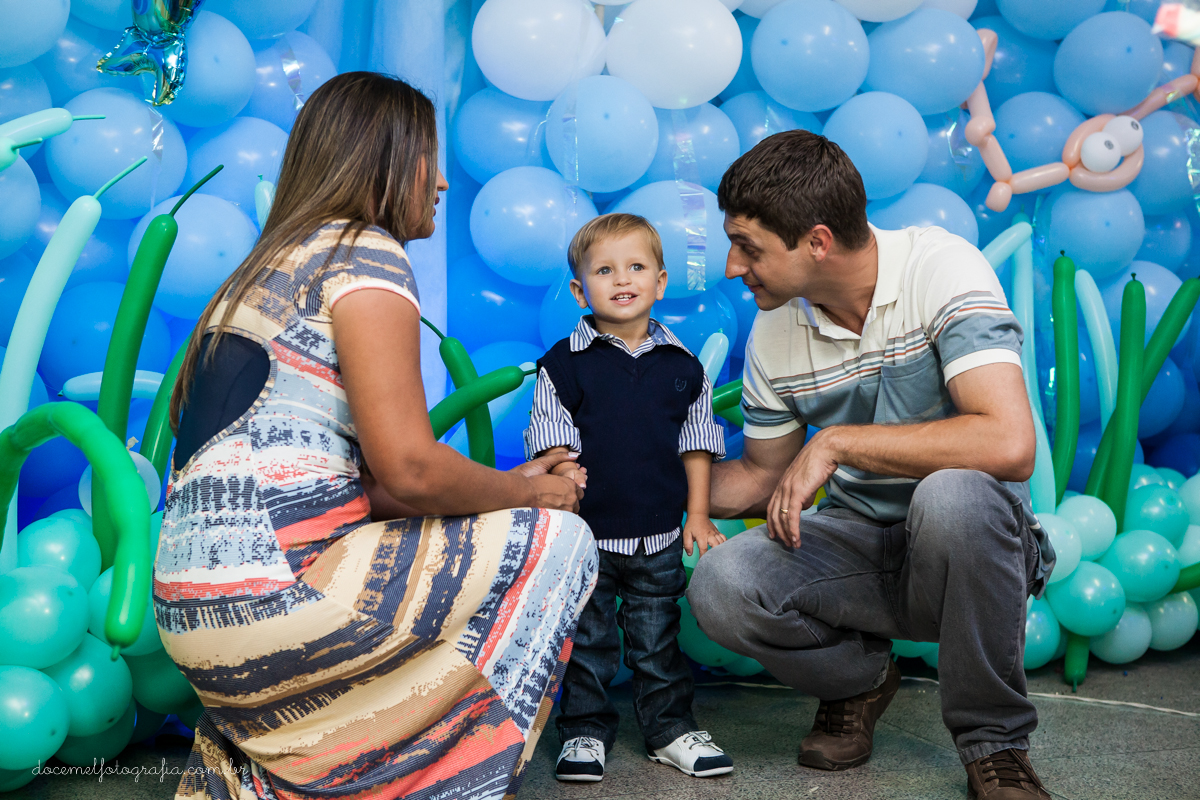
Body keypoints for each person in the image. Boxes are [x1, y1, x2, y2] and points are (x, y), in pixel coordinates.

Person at [154, 72, 597, 800]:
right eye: (429, 158)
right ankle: (433, 784)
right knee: (559, 542)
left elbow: (350, 489)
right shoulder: (362, 253)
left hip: (193, 618)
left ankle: (288, 774)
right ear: (384, 159)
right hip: (275, 603)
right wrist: (532, 491)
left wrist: (506, 495)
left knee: (492, 530)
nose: (445, 182)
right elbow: (409, 473)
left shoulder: (256, 273)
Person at [686, 130, 1057, 800]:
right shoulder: (776, 330)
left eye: (750, 247)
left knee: (949, 497)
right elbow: (765, 480)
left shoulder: (941, 268)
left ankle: (994, 744)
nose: (733, 268)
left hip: (967, 546)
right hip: (859, 549)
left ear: (818, 242)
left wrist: (834, 443)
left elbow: (1008, 443)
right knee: (721, 584)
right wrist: (639, 477)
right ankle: (859, 680)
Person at [525, 213, 734, 783]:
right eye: (605, 270)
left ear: (661, 281)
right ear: (579, 290)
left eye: (637, 267)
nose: (623, 279)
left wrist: (696, 513)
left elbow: (698, 446)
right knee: (588, 641)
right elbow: (551, 444)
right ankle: (585, 733)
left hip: (660, 532)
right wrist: (564, 468)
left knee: (656, 639)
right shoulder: (562, 365)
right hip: (587, 537)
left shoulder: (684, 367)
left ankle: (669, 731)